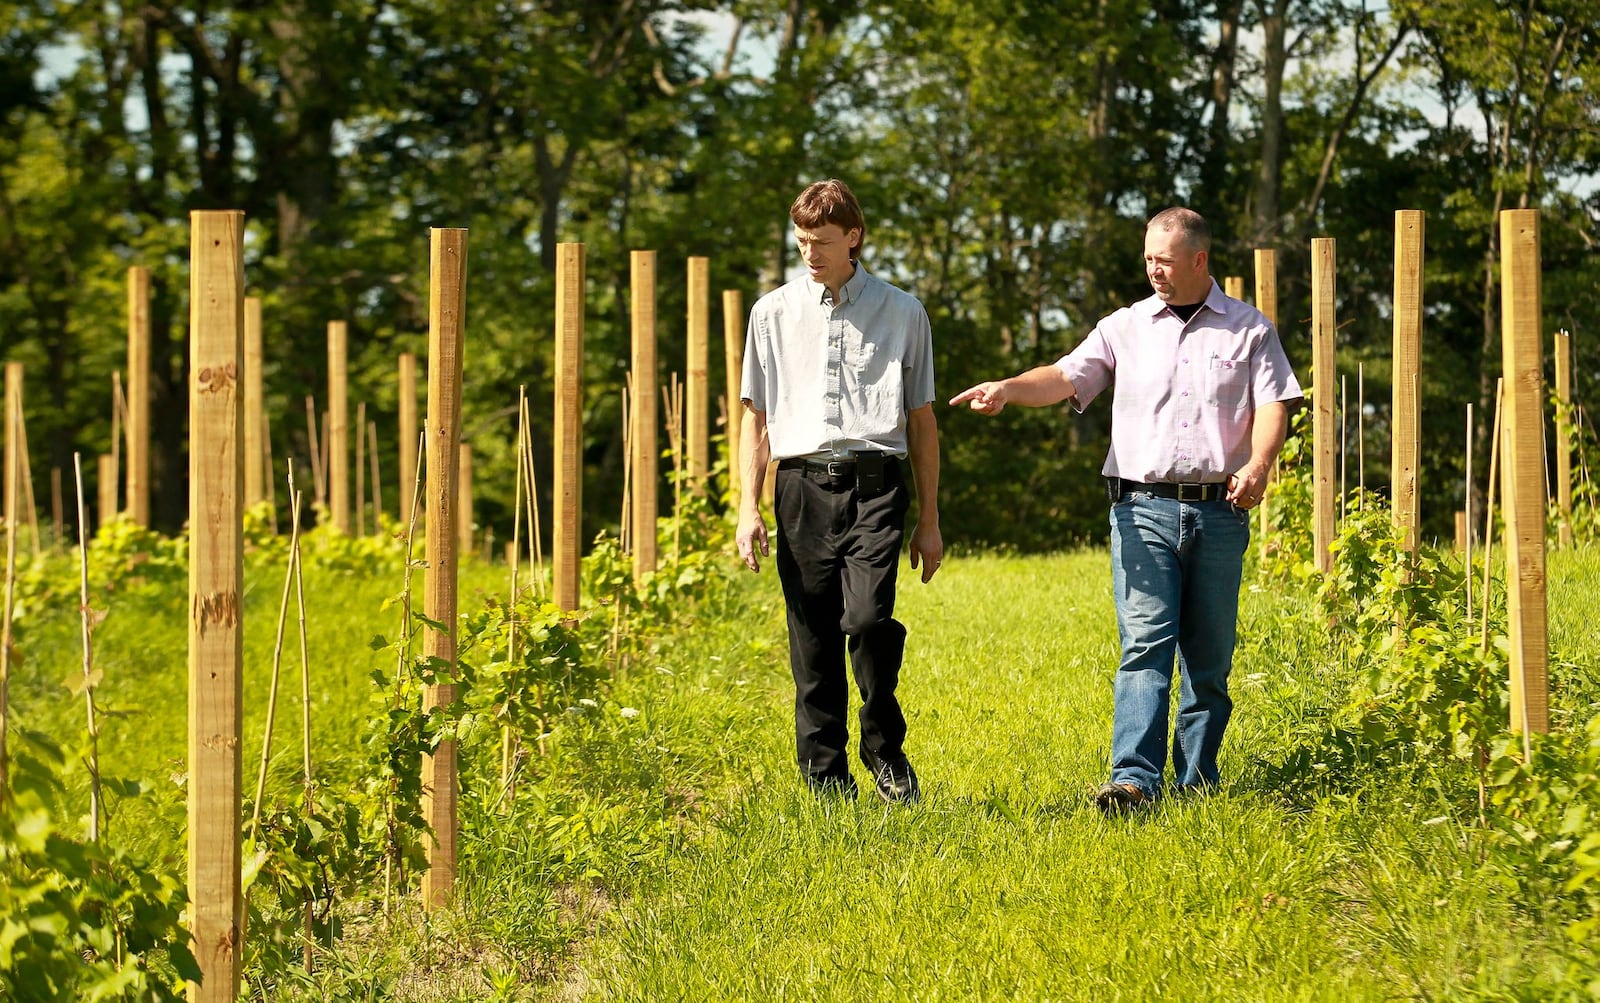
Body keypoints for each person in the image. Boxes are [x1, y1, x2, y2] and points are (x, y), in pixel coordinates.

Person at [949, 207, 1302, 814]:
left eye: (1163, 260)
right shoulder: (1124, 327)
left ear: (1199, 260)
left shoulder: (1249, 330)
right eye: (1147, 259)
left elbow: (1274, 405)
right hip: (1141, 509)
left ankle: (1197, 781)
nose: (1153, 270)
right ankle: (1134, 781)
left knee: (1209, 657)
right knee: (1145, 644)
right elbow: (1064, 376)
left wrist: (1261, 464)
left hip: (1219, 511)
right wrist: (1008, 388)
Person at [736, 178, 944, 804]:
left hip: (876, 485)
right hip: (798, 488)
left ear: (853, 237)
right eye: (801, 241)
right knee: (812, 636)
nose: (810, 253)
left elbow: (922, 420)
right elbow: (756, 417)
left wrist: (930, 519)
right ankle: (826, 781)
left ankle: (884, 746)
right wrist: (748, 507)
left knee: (868, 618)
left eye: (821, 241)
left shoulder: (903, 312)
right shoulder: (770, 314)